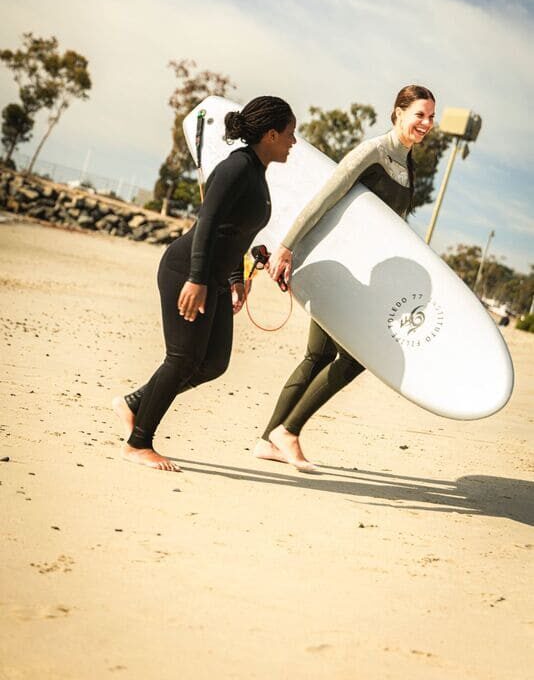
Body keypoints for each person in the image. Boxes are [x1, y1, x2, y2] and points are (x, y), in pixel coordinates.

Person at [254, 85, 436, 472]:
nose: (426, 123)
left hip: (365, 274)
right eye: (419, 114)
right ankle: (288, 432)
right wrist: (286, 247)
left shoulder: (409, 165)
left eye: (431, 117)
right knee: (354, 356)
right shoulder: (372, 152)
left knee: (318, 355)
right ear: (398, 112)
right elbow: (323, 198)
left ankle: (268, 437)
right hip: (341, 267)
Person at [113, 96, 296, 471]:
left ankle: (135, 403)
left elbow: (233, 232)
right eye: (290, 135)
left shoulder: (257, 172)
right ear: (271, 134)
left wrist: (235, 277)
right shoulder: (236, 168)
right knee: (182, 358)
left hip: (214, 276)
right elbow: (207, 224)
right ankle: (138, 443)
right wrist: (196, 278)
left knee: (213, 363)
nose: (293, 143)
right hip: (187, 271)